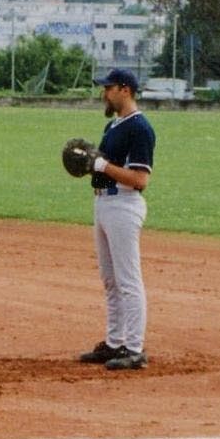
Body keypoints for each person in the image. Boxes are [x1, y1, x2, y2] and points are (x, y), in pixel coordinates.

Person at [78, 67, 156, 371]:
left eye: (108, 88)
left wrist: (103, 166)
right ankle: (113, 342)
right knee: (110, 281)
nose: (104, 93)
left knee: (127, 280)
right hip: (105, 204)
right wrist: (93, 171)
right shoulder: (114, 125)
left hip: (124, 207)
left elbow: (140, 179)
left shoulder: (140, 128)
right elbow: (103, 171)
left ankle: (134, 348)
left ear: (125, 90)